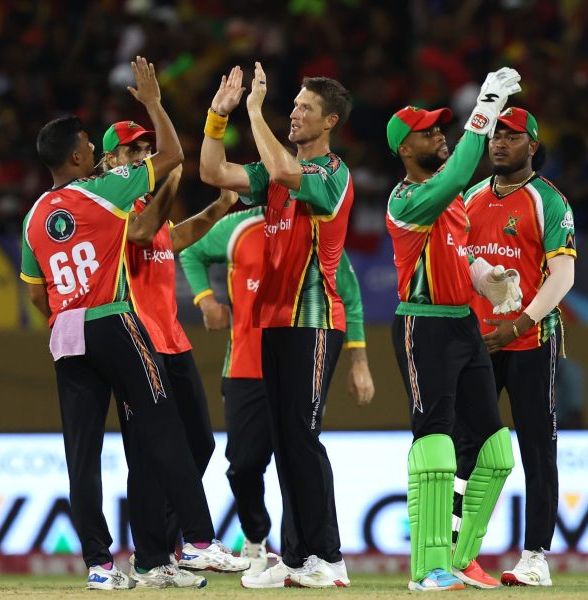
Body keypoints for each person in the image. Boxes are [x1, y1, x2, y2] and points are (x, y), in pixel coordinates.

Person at [19, 57, 206, 590]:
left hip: (66, 334)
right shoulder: (104, 189)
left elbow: (36, 294)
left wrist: (65, 315)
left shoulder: (34, 215)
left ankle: (100, 566)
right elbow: (172, 157)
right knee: (162, 423)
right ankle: (197, 539)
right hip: (113, 321)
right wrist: (153, 103)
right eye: (90, 146)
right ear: (80, 156)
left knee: (82, 455)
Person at [198, 63, 355, 588]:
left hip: (313, 319)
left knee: (303, 437)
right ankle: (294, 561)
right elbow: (213, 174)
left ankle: (329, 560)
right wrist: (218, 119)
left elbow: (288, 172)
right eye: (293, 106)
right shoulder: (273, 175)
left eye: (305, 108)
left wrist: (254, 111)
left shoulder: (331, 173)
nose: (294, 113)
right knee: (287, 443)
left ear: (330, 121)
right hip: (272, 324)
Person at [179, 206, 375, 578]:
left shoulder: (314, 226)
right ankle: (256, 537)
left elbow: (349, 294)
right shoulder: (238, 227)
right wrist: (205, 300)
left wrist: (359, 360)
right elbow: (190, 250)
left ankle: (299, 555)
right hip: (245, 366)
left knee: (295, 456)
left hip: (295, 361)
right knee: (243, 465)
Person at [384, 68, 523, 592]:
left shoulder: (452, 204)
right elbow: (463, 167)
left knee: (494, 451)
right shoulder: (406, 200)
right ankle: (427, 569)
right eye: (427, 132)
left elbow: (459, 257)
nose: (439, 135)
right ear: (404, 149)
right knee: (437, 446)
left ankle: (463, 559)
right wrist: (485, 107)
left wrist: (490, 279)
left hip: (463, 325)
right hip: (424, 328)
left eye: (442, 128)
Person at [99, 120, 249, 582]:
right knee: (147, 455)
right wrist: (171, 177)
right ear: (110, 162)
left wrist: (221, 206)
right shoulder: (111, 204)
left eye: (148, 148)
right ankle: (158, 556)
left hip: (172, 339)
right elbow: (144, 233)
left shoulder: (147, 205)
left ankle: (156, 555)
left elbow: (173, 237)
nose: (143, 154)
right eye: (132, 151)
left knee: (198, 443)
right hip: (138, 341)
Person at [463, 107, 577, 587]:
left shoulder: (549, 202)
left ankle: (535, 557)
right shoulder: (468, 198)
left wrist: (520, 323)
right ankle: (458, 552)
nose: (498, 144)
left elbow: (564, 276)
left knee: (536, 448)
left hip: (531, 341)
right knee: (467, 447)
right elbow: (457, 260)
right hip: (479, 344)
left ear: (532, 146)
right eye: (494, 136)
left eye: (511, 137)